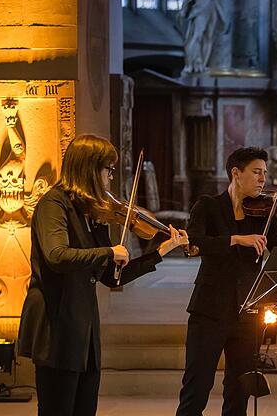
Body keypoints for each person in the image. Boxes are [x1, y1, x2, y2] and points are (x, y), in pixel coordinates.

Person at [17, 134, 189, 416]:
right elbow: (56, 256)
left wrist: (160, 252)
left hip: (84, 330)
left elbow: (112, 278)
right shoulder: (54, 204)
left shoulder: (92, 211)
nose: (111, 178)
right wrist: (108, 251)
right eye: (108, 170)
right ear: (88, 168)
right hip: (56, 326)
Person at [176, 147, 277, 416]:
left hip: (248, 312)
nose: (263, 179)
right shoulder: (209, 206)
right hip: (209, 311)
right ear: (236, 173)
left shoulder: (264, 214)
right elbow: (192, 243)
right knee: (196, 388)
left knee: (239, 392)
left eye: (265, 173)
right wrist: (236, 239)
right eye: (257, 172)